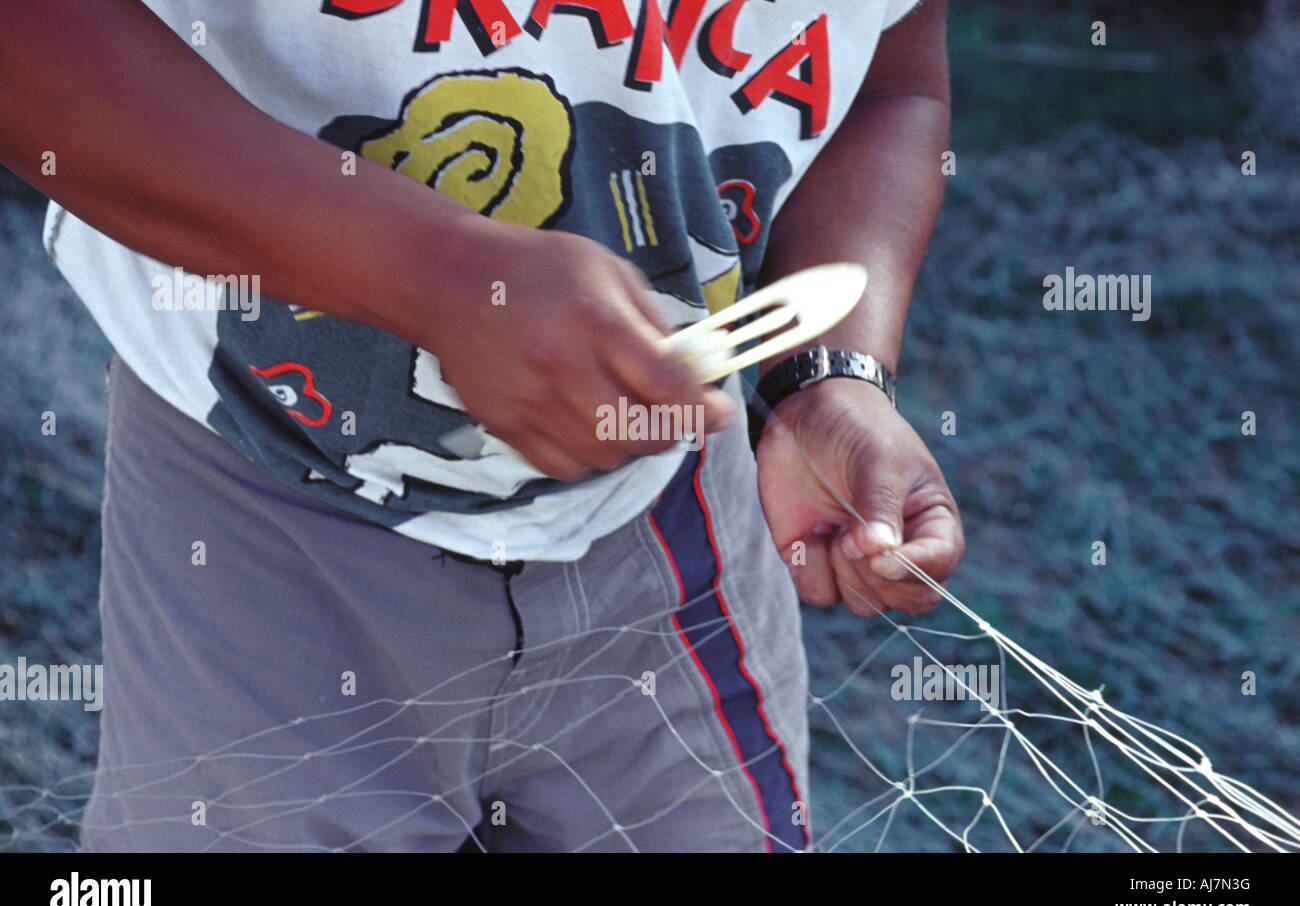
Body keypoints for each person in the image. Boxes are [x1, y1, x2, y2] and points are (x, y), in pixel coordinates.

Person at [0, 0, 963, 852]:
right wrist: (437, 276)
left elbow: (892, 79)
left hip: (671, 522)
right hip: (259, 492)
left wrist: (831, 377)